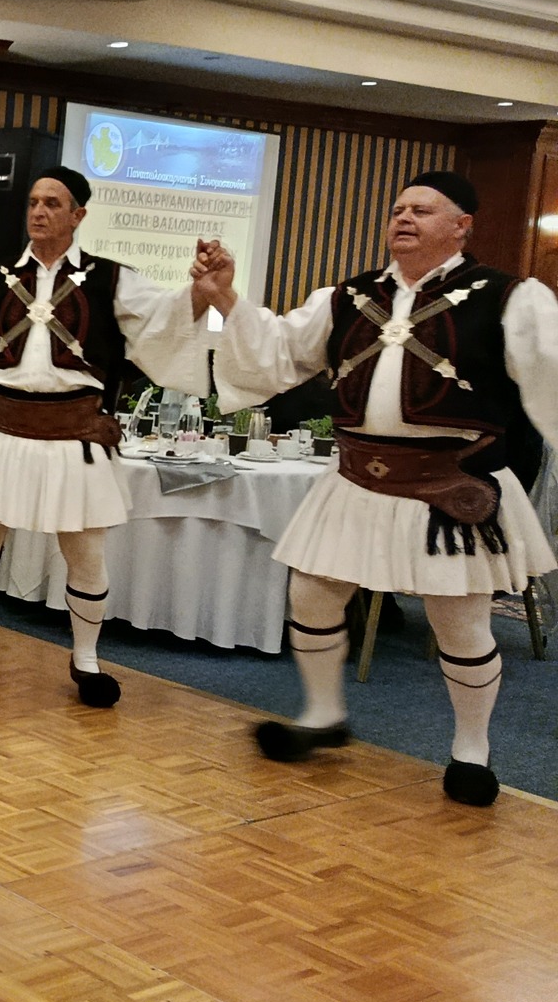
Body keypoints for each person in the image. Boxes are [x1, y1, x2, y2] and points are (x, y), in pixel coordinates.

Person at [197, 171, 558, 806]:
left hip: (450, 486)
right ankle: (323, 716)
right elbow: (279, 353)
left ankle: (471, 751)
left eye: (422, 210)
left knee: (459, 623)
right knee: (312, 596)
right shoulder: (347, 298)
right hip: (357, 479)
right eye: (398, 209)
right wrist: (227, 299)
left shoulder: (512, 299)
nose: (404, 218)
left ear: (461, 226)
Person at [0, 168, 208, 706]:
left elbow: (164, 323)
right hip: (0, 427)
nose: (38, 211)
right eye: (33, 201)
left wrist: (199, 291)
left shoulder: (111, 278)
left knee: (86, 553)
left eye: (53, 203)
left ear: (78, 215)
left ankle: (87, 659)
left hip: (76, 431)